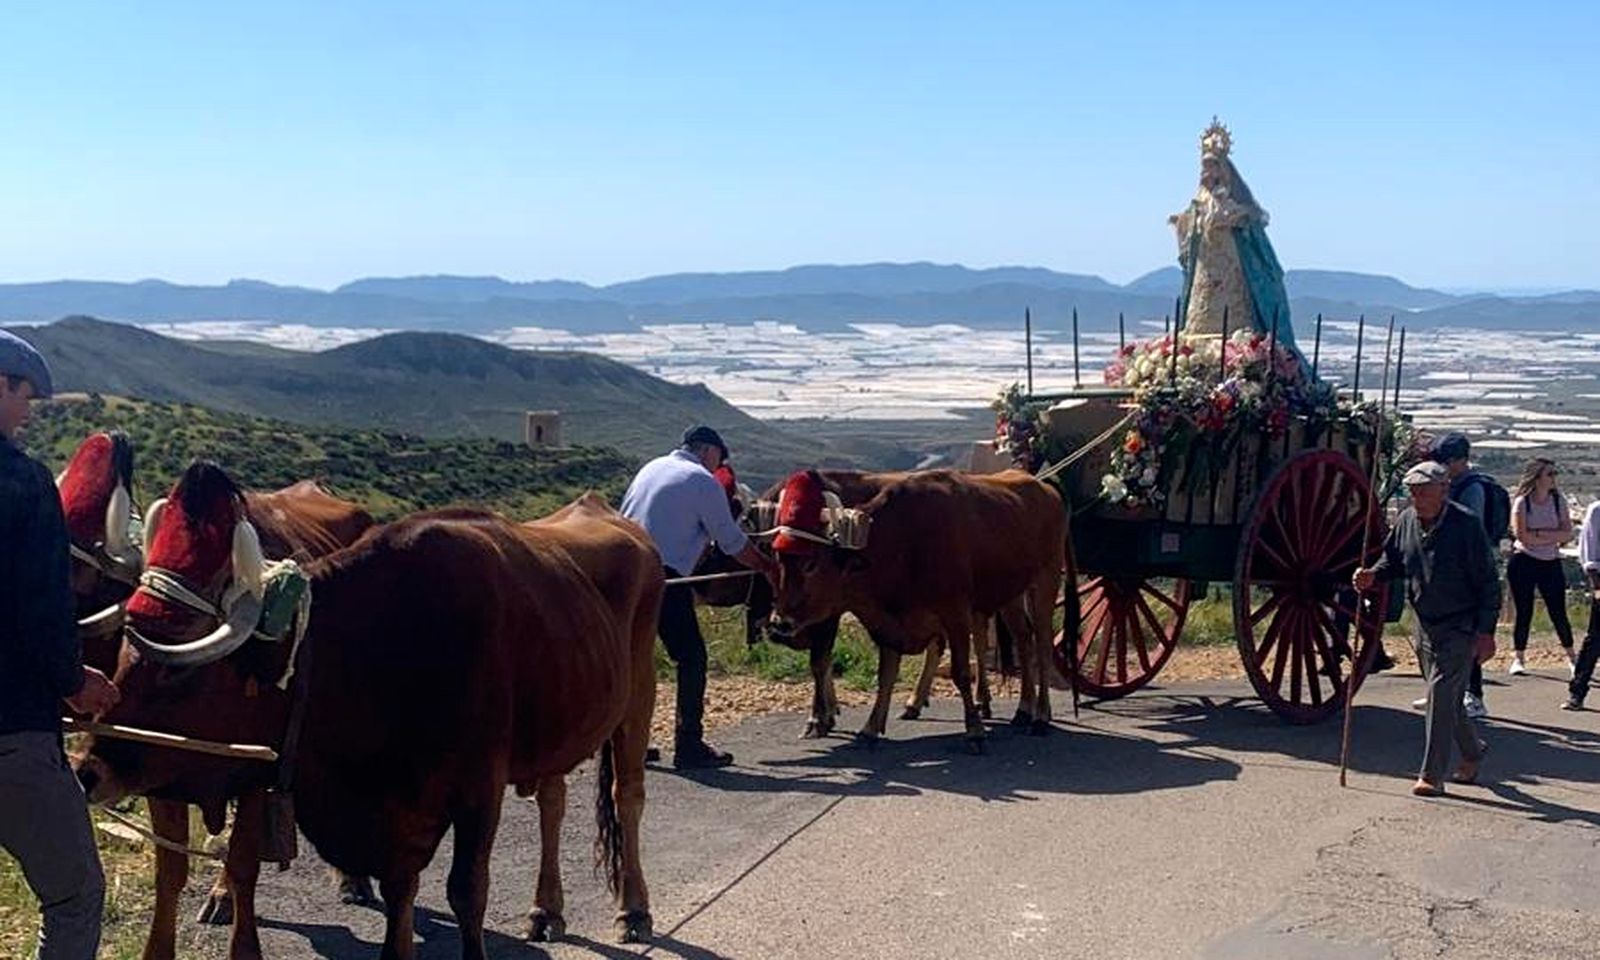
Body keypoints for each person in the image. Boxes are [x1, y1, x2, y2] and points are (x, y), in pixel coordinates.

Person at [0, 329, 121, 959]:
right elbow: (42, 610)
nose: (28, 411)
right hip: (11, 732)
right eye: (24, 395)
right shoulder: (22, 483)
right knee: (74, 896)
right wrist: (76, 681)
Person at [620, 425, 777, 769]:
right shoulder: (702, 480)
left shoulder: (652, 467)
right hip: (661, 576)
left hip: (622, 571)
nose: (720, 466)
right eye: (720, 459)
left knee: (633, 658)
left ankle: (629, 741)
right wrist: (765, 566)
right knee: (691, 658)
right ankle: (689, 745)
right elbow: (731, 542)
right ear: (708, 451)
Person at [1354, 461, 1499, 798]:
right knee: (1446, 698)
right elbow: (1392, 560)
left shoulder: (1466, 525)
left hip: (1460, 624)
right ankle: (1473, 751)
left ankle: (1432, 775)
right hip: (1425, 623)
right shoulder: (1407, 521)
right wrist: (1372, 575)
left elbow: (1489, 582)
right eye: (1413, 492)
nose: (1416, 498)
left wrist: (1486, 632)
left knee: (1439, 695)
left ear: (1444, 489)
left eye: (1423, 491)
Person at [1432, 433, 1495, 718]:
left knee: (1467, 636)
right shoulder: (1454, 485)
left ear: (1461, 460)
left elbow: (1471, 532)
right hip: (1450, 568)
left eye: (1446, 462)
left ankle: (1474, 694)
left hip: (1467, 571)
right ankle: (1443, 692)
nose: (1443, 467)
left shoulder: (1472, 489)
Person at [1504, 457, 1576, 678]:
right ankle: (1519, 657)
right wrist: (1552, 535)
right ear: (1537, 478)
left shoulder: (1558, 501)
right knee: (1523, 611)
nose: (1554, 478)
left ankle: (1572, 657)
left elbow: (1568, 533)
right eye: (1549, 474)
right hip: (1524, 561)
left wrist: (1539, 534)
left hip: (1550, 561)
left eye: (1555, 474)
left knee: (1558, 611)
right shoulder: (1522, 503)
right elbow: (1522, 536)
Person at [1563, 496, 1600, 710]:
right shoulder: (1597, 511)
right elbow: (1588, 552)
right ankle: (1577, 691)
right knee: (1595, 639)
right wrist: (1596, 586)